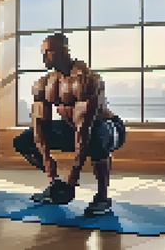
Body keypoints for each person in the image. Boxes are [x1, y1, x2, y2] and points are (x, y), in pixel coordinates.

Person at [13, 33, 126, 217]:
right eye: (43, 53)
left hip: (108, 128)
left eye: (48, 53)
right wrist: (47, 160)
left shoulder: (85, 81)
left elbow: (84, 128)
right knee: (23, 141)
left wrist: (74, 175)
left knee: (97, 137)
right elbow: (40, 123)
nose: (43, 58)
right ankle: (55, 186)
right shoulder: (45, 83)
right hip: (71, 126)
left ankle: (102, 198)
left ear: (63, 51)